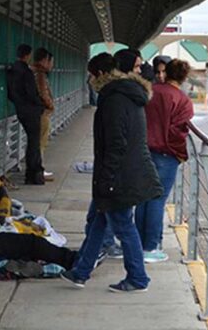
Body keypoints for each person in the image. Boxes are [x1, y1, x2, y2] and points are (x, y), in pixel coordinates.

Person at [60, 53, 163, 292]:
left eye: (90, 74)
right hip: (125, 172)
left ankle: (138, 278)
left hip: (120, 176)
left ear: (98, 75)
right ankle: (81, 272)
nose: (88, 79)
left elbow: (116, 144)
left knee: (123, 226)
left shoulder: (115, 99)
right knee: (98, 221)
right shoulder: (125, 95)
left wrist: (107, 180)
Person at [135, 59, 194, 263]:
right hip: (166, 154)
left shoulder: (150, 91)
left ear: (165, 73)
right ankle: (150, 247)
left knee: (143, 197)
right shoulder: (183, 100)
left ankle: (139, 243)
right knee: (157, 199)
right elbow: (179, 130)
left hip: (143, 150)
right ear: (184, 77)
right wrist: (179, 154)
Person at [6, 44, 45, 185]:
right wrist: (40, 105)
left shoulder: (11, 70)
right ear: (28, 55)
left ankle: (33, 173)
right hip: (31, 111)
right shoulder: (26, 72)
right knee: (34, 143)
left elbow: (10, 94)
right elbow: (31, 93)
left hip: (20, 109)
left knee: (32, 141)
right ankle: (33, 174)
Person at [31, 47, 55, 179]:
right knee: (41, 141)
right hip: (42, 112)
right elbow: (43, 93)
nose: (52, 65)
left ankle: (36, 168)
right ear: (45, 60)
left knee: (36, 141)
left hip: (33, 111)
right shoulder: (40, 74)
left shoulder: (32, 72)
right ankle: (39, 168)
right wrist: (51, 105)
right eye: (51, 62)